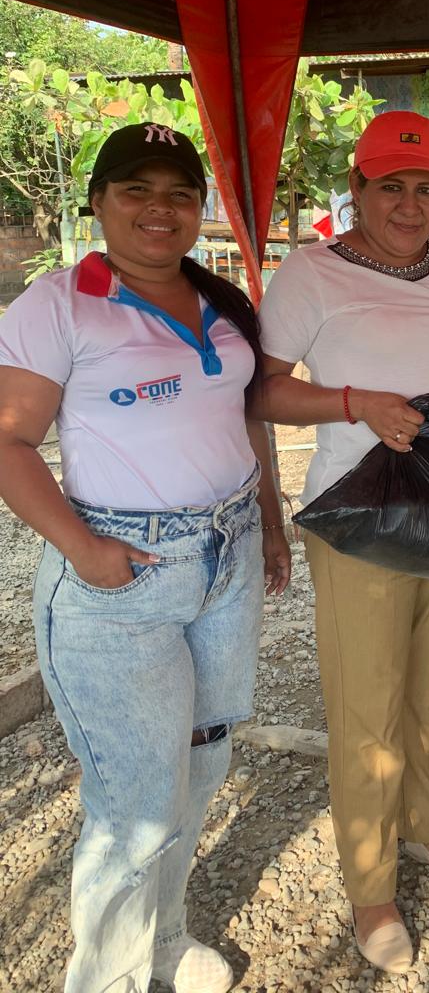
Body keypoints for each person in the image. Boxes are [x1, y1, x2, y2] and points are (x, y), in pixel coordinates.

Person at [0, 122, 291, 993]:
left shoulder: (220, 299)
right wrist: (82, 549)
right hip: (123, 573)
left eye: (180, 194)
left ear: (199, 209)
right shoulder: (58, 304)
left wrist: (269, 521)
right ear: (98, 202)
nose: (160, 210)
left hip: (228, 553)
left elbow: (245, 415)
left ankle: (162, 939)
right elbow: (9, 442)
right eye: (137, 190)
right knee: (134, 802)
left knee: (200, 762)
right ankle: (110, 980)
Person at [254, 110, 429, 974]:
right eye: (391, 186)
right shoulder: (311, 272)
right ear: (356, 189)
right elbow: (261, 392)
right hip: (359, 513)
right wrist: (353, 404)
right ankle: (370, 890)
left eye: (427, 188)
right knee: (367, 706)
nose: (410, 204)